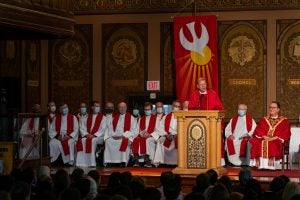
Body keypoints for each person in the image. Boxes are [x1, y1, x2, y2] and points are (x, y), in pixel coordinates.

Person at [249, 101, 291, 170]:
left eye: (274, 107)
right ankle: (261, 166)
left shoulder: (284, 121)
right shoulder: (264, 119)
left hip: (276, 140)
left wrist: (275, 137)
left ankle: (270, 166)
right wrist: (264, 136)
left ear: (278, 109)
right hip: (264, 138)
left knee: (271, 144)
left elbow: (286, 132)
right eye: (270, 107)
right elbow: (258, 130)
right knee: (259, 143)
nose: (271, 109)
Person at [104, 102, 137, 166]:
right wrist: (113, 135)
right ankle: (109, 161)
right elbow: (110, 128)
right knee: (108, 141)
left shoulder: (131, 118)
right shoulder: (114, 117)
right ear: (118, 108)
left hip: (125, 136)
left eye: (123, 107)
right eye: (120, 107)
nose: (122, 109)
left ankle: (123, 161)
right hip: (115, 136)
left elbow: (134, 131)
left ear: (126, 108)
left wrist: (123, 136)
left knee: (124, 141)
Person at [76, 101, 107, 167]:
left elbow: (103, 129)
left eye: (98, 106)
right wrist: (87, 135)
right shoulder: (86, 117)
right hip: (88, 136)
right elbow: (82, 128)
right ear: (92, 107)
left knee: (92, 141)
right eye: (96, 106)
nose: (97, 108)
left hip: (99, 137)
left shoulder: (103, 118)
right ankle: (81, 163)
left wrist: (94, 135)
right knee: (81, 140)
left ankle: (91, 163)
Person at [132, 102, 160, 167]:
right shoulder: (141, 119)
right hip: (143, 136)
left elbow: (158, 130)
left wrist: (150, 135)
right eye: (146, 110)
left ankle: (148, 161)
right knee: (135, 140)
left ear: (151, 109)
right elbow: (137, 130)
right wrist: (141, 134)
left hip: (152, 136)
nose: (147, 111)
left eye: (148, 109)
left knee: (148, 140)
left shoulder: (156, 118)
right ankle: (137, 161)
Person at [154, 100, 181, 165]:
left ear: (180, 108)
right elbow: (160, 129)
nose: (176, 108)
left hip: (179, 136)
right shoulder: (165, 117)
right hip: (168, 135)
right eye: (175, 106)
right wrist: (166, 135)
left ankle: (179, 163)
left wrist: (177, 135)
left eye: (178, 106)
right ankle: (161, 162)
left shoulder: (182, 117)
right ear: (172, 107)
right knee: (160, 140)